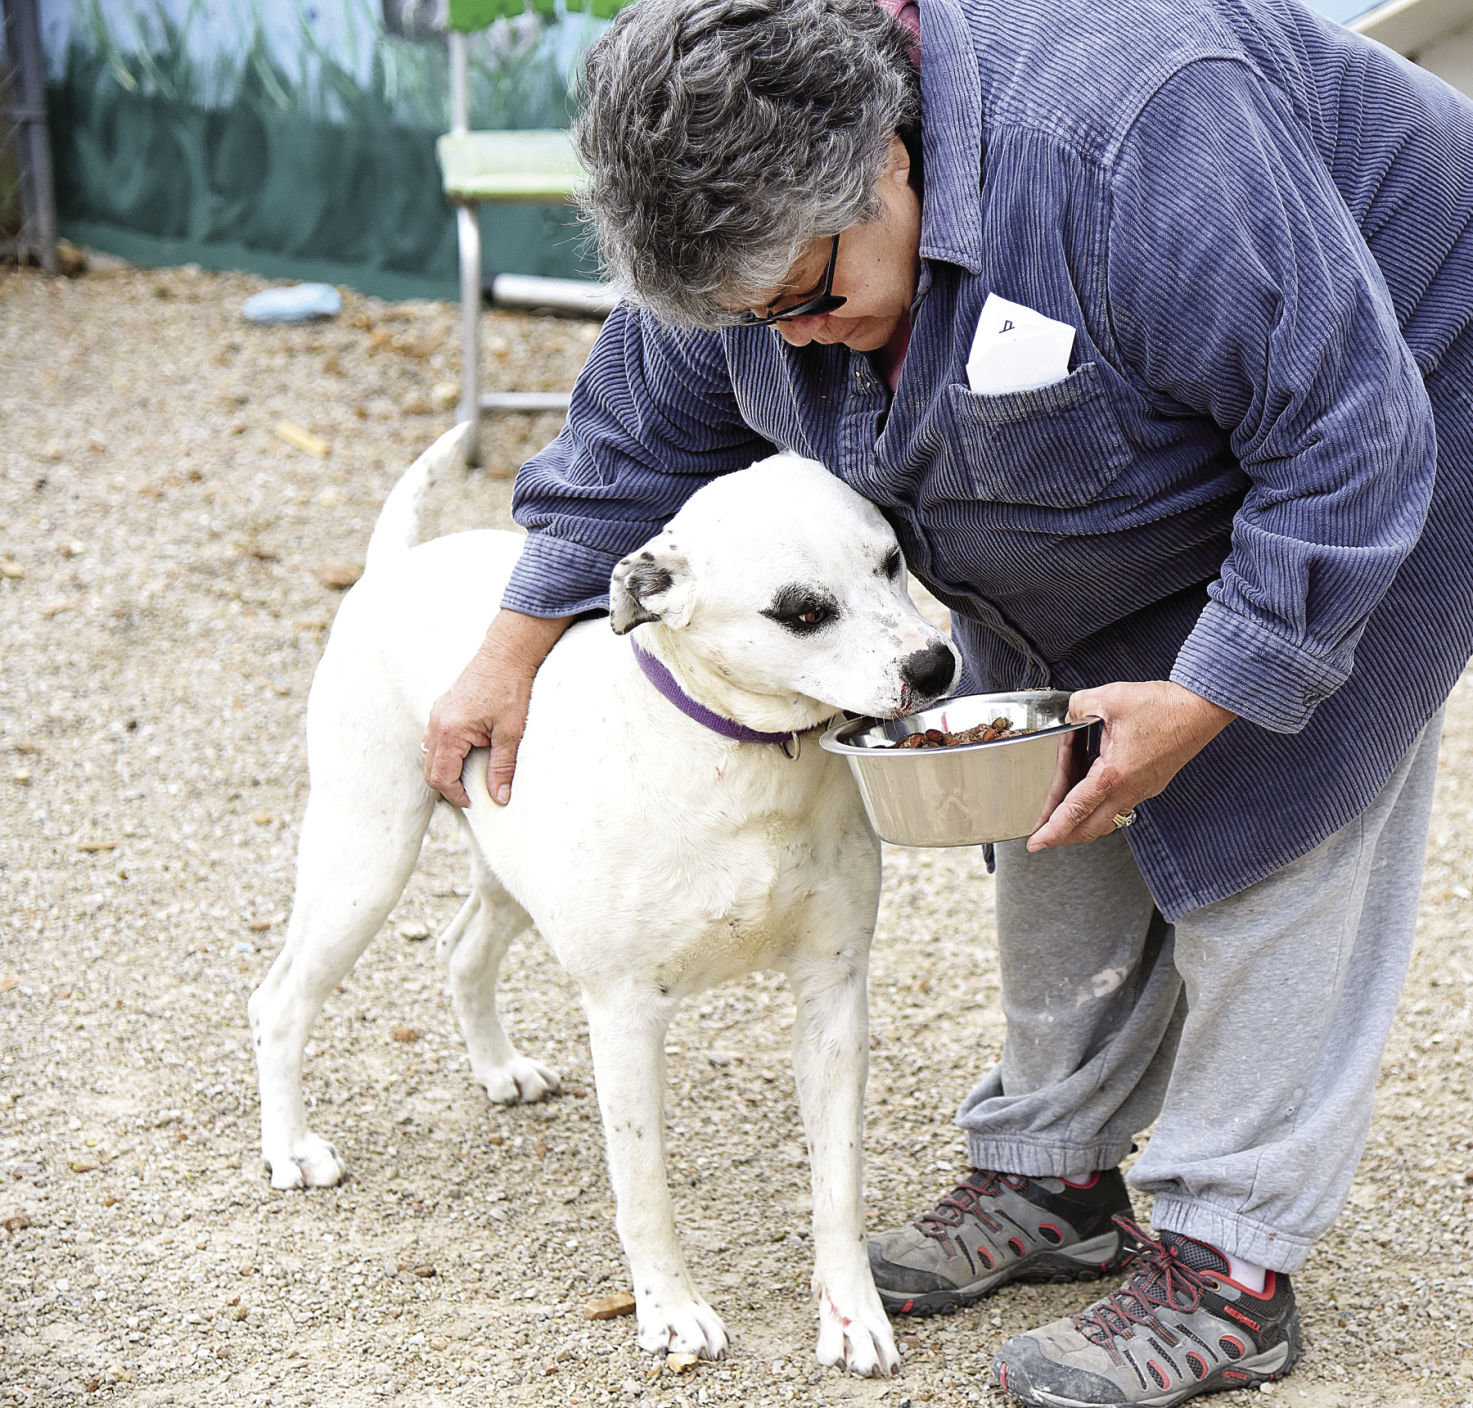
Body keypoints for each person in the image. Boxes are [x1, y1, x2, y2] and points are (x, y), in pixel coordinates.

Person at [420, 0, 1473, 1400]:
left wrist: (1217, 688)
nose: (790, 343)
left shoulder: (1135, 135)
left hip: (1405, 370)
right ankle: (1053, 1173)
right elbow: (635, 437)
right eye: (748, 320)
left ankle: (1231, 1261)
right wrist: (510, 648)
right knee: (1045, 762)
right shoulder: (745, 231)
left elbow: (1346, 439)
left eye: (806, 301)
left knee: (1278, 796)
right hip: (1133, 431)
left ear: (885, 162)